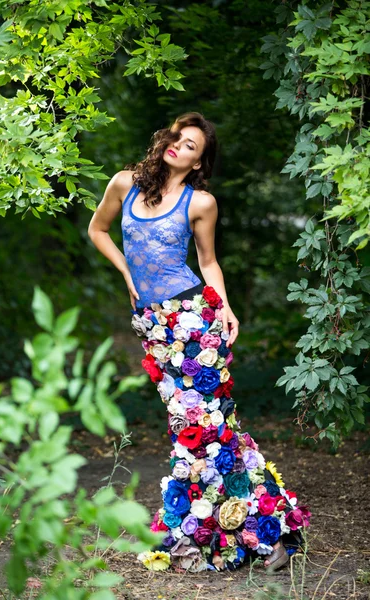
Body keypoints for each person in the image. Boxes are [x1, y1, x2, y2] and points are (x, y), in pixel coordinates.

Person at [88, 112, 311, 573]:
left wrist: (224, 306)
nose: (178, 145)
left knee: (207, 428)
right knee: (196, 428)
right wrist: (126, 271)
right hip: (151, 324)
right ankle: (241, 529)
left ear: (197, 162)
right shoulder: (123, 183)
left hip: (193, 319)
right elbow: (97, 230)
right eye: (175, 136)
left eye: (190, 145)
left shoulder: (200, 202)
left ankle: (269, 533)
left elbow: (208, 263)